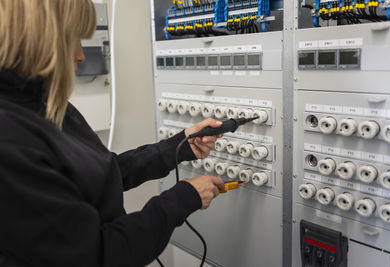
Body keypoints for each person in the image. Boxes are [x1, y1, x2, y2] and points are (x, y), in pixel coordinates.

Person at [0, 0, 226, 266]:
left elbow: (102, 174)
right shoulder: (9, 138)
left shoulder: (43, 103)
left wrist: (177, 147)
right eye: (73, 39)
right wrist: (182, 198)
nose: (80, 55)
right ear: (40, 39)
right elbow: (98, 256)